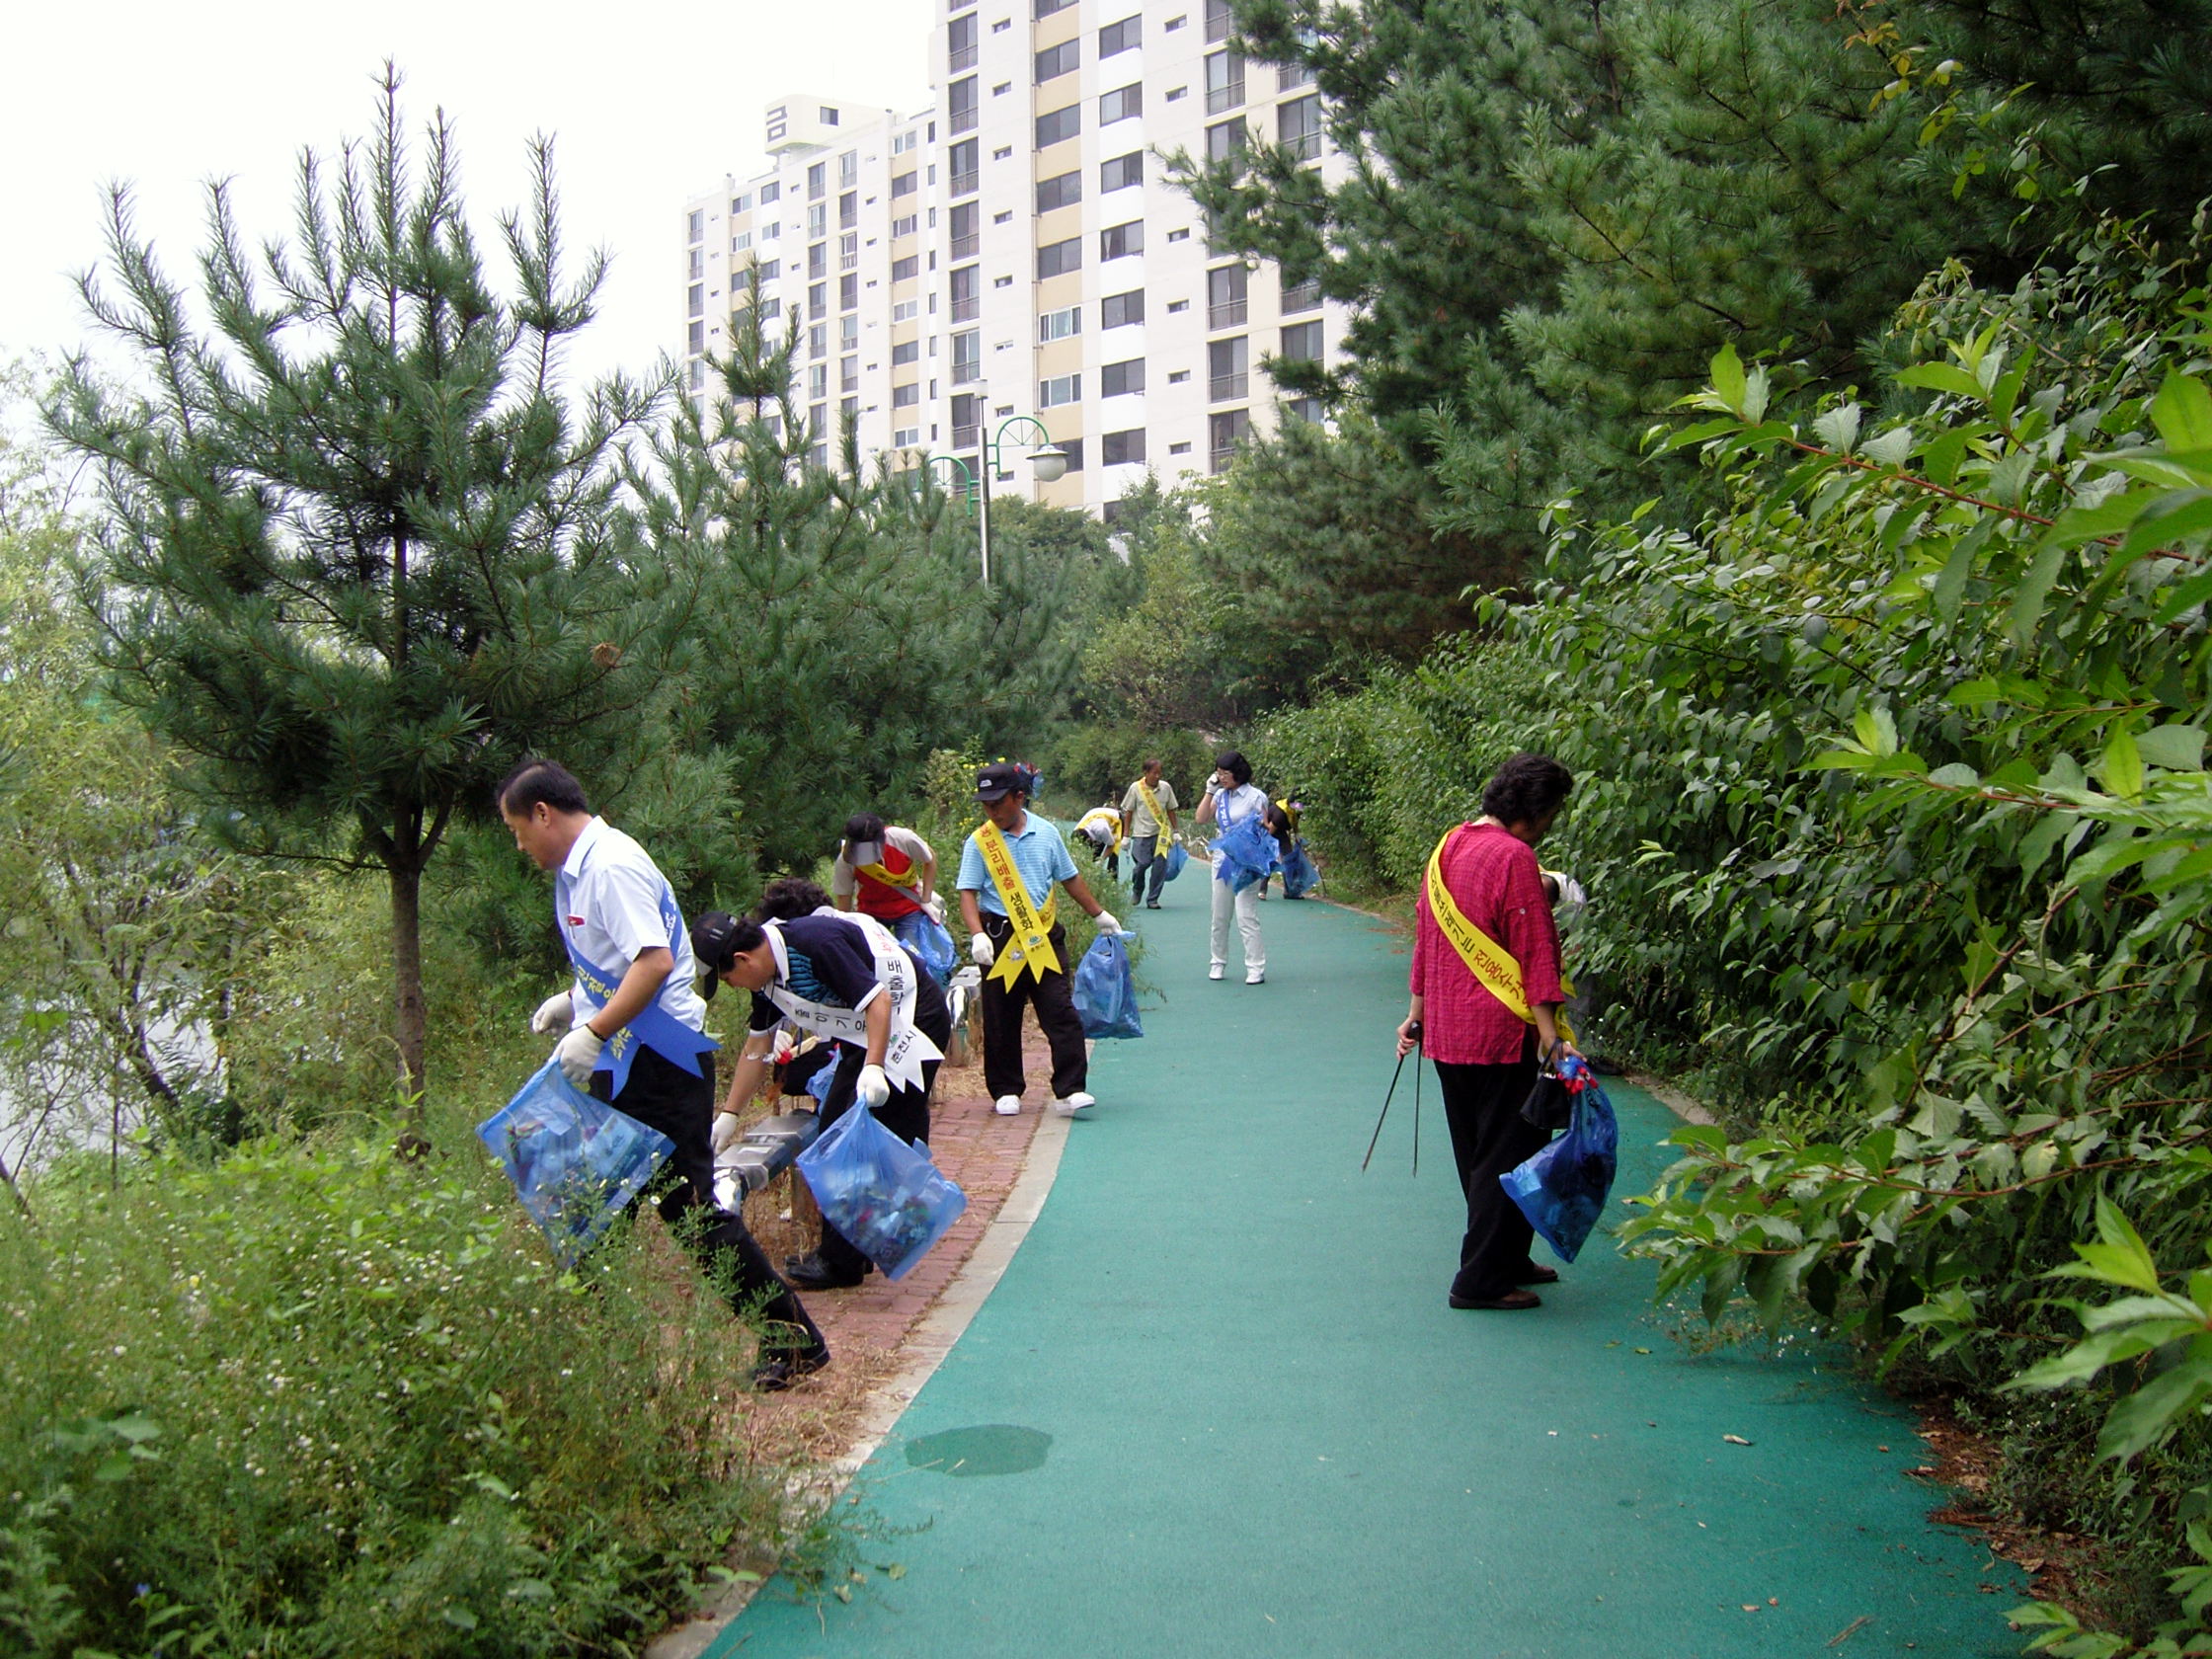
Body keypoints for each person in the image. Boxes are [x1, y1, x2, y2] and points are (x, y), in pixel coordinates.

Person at [501, 758, 828, 1390]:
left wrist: (592, 1030)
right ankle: (596, 1357)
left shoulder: (610, 865)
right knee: (594, 1209)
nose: (520, 845)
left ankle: (790, 1342)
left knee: (692, 1212)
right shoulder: (578, 871)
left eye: (518, 830)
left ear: (544, 813)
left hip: (656, 1058)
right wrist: (577, 1003)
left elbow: (651, 964)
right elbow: (612, 960)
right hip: (623, 1052)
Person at [693, 877, 953, 1292]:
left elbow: (879, 1000)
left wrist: (872, 1068)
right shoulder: (767, 978)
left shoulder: (814, 942)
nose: (732, 987)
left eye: (727, 980)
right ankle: (853, 1251)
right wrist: (728, 1115)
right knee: (837, 1127)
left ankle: (848, 1259)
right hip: (864, 1032)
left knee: (874, 1131)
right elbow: (756, 1047)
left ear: (742, 960)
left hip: (911, 1020)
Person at [1397, 751, 1577, 1313]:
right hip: (1502, 1035)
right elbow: (1534, 951)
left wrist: (1415, 1012)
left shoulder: (1448, 846)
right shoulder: (1516, 858)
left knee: (1478, 1154)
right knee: (1511, 1156)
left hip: (1450, 1030)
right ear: (1539, 810)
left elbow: (1428, 934)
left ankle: (1508, 1258)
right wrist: (1550, 1034)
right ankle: (1478, 1281)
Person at [957, 761, 1122, 1118]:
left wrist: (1099, 914)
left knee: (1060, 1011)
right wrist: (976, 935)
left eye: (998, 803)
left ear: (1019, 797)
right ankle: (1006, 1089)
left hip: (1043, 937)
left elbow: (1070, 878)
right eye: (985, 805)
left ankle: (1071, 1088)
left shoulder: (1046, 834)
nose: (992, 811)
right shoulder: (980, 842)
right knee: (1001, 1015)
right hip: (999, 939)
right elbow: (967, 892)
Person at [830, 813, 952, 980]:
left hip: (907, 908)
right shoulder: (846, 860)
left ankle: (918, 998)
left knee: (912, 960)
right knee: (874, 964)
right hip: (870, 912)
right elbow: (844, 902)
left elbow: (929, 859)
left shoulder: (903, 839)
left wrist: (926, 899)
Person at [1195, 750, 1272, 984]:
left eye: (1225, 773)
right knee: (1220, 914)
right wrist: (1209, 791)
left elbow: (1264, 827)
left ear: (1237, 772)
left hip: (1247, 863)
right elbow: (1201, 818)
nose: (1221, 777)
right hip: (1223, 861)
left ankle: (1255, 967)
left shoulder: (1255, 796)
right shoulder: (1219, 796)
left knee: (1246, 915)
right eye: (1218, 773)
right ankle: (1217, 962)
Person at [1119, 759, 1181, 909]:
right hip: (1141, 834)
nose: (1157, 776)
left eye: (1160, 773)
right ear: (1145, 773)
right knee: (1142, 864)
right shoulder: (1136, 788)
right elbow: (1128, 811)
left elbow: (1171, 810)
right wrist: (1126, 835)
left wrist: (1176, 831)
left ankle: (1153, 899)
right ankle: (1137, 889)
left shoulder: (1166, 788)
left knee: (1160, 868)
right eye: (1154, 773)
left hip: (1161, 835)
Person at [1072, 797, 1126, 881]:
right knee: (1091, 858)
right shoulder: (1076, 832)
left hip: (1116, 820)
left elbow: (1110, 846)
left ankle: (1112, 881)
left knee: (1113, 855)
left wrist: (1101, 860)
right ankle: (1090, 877)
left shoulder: (1102, 829)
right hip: (1095, 815)